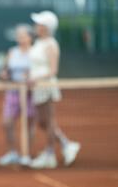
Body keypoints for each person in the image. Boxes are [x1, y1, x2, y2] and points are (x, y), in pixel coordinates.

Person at [28, 11, 80, 169]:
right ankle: (66, 144)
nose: (36, 26)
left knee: (48, 121)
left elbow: (53, 70)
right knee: (43, 122)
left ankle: (50, 154)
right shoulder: (38, 43)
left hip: (46, 86)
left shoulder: (51, 44)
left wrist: (36, 79)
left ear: (46, 27)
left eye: (39, 24)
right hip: (37, 87)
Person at [0, 24, 35, 166]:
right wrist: (4, 74)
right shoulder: (12, 52)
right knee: (7, 123)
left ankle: (27, 154)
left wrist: (31, 77)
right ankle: (12, 152)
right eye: (18, 36)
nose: (20, 38)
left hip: (30, 93)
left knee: (29, 124)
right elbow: (6, 70)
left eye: (23, 35)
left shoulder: (35, 52)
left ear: (30, 37)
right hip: (13, 92)